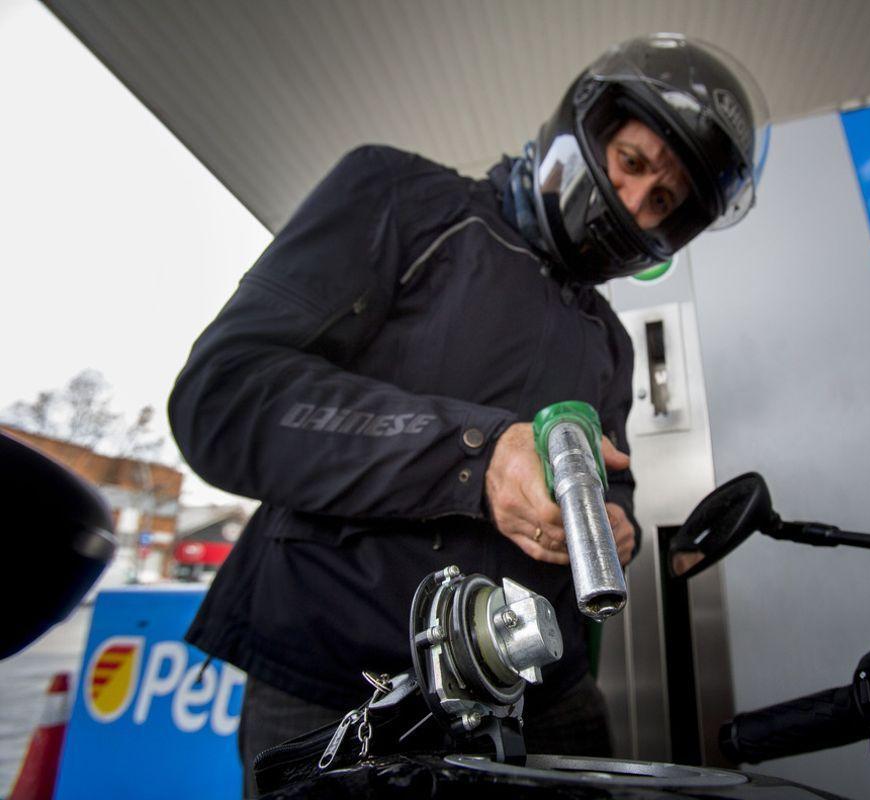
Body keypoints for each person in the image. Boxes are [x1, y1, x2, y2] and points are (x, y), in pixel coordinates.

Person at [168, 32, 768, 796]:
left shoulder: (609, 342)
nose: (635, 203)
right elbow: (225, 395)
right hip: (347, 693)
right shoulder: (406, 199)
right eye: (634, 162)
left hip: (544, 702)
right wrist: (477, 458)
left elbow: (608, 479)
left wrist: (614, 522)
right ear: (583, 127)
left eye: (664, 200)